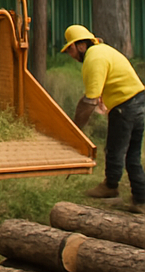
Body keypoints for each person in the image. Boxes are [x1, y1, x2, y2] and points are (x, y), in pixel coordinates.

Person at [61, 24, 145, 214]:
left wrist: (75, 129)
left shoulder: (94, 58)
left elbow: (89, 101)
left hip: (125, 105)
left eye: (71, 49)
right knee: (132, 155)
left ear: (82, 45)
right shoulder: (103, 51)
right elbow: (101, 89)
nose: (71, 55)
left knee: (115, 149)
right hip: (138, 100)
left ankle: (111, 187)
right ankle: (140, 199)